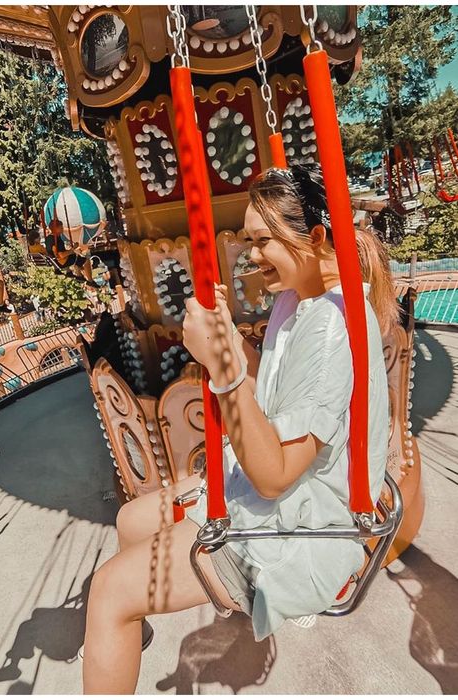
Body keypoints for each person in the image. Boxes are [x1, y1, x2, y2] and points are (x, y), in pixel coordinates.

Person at [81, 164, 394, 693]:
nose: (250, 255)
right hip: (286, 501)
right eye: (249, 240)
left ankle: (117, 623)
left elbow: (274, 475)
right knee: (134, 520)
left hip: (303, 532)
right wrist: (232, 341)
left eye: (262, 241)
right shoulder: (300, 300)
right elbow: (270, 384)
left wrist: (223, 370)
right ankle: (123, 641)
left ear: (314, 237)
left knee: (108, 590)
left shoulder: (333, 328)